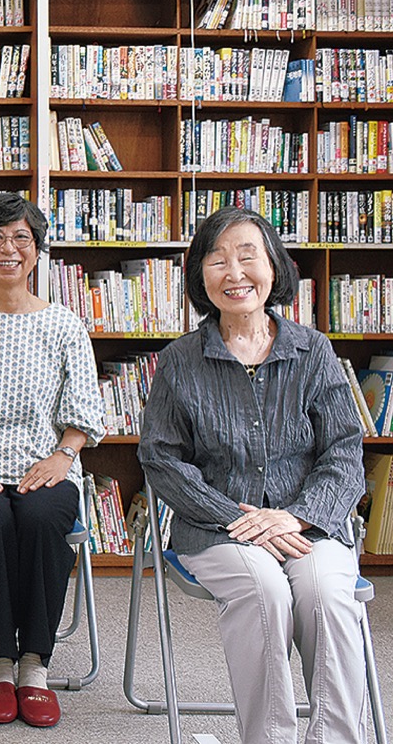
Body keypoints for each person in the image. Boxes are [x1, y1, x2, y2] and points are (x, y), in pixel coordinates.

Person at [138, 206, 367, 744]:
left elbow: (343, 451)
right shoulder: (179, 361)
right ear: (200, 278)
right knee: (265, 590)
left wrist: (295, 516)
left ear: (274, 268)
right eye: (216, 261)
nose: (234, 272)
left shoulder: (315, 353)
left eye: (247, 256)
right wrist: (239, 518)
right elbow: (162, 461)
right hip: (217, 528)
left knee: (325, 594)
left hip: (308, 524)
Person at [0, 193, 105, 728]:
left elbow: (83, 411)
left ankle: (34, 664)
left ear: (38, 251)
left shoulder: (65, 325)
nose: (9, 248)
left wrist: (63, 456)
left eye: (21, 238)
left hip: (45, 464)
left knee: (37, 518)